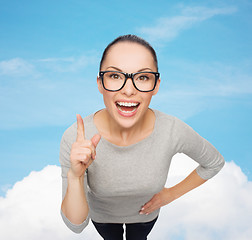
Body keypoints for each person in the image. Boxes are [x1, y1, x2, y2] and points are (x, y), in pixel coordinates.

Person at [59, 34, 225, 240]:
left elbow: (214, 163)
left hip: (146, 216)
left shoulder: (172, 129)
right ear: (100, 83)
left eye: (143, 77)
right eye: (115, 76)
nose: (128, 90)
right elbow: (76, 225)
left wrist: (170, 195)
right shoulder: (76, 140)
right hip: (103, 218)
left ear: (156, 85)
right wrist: (75, 177)